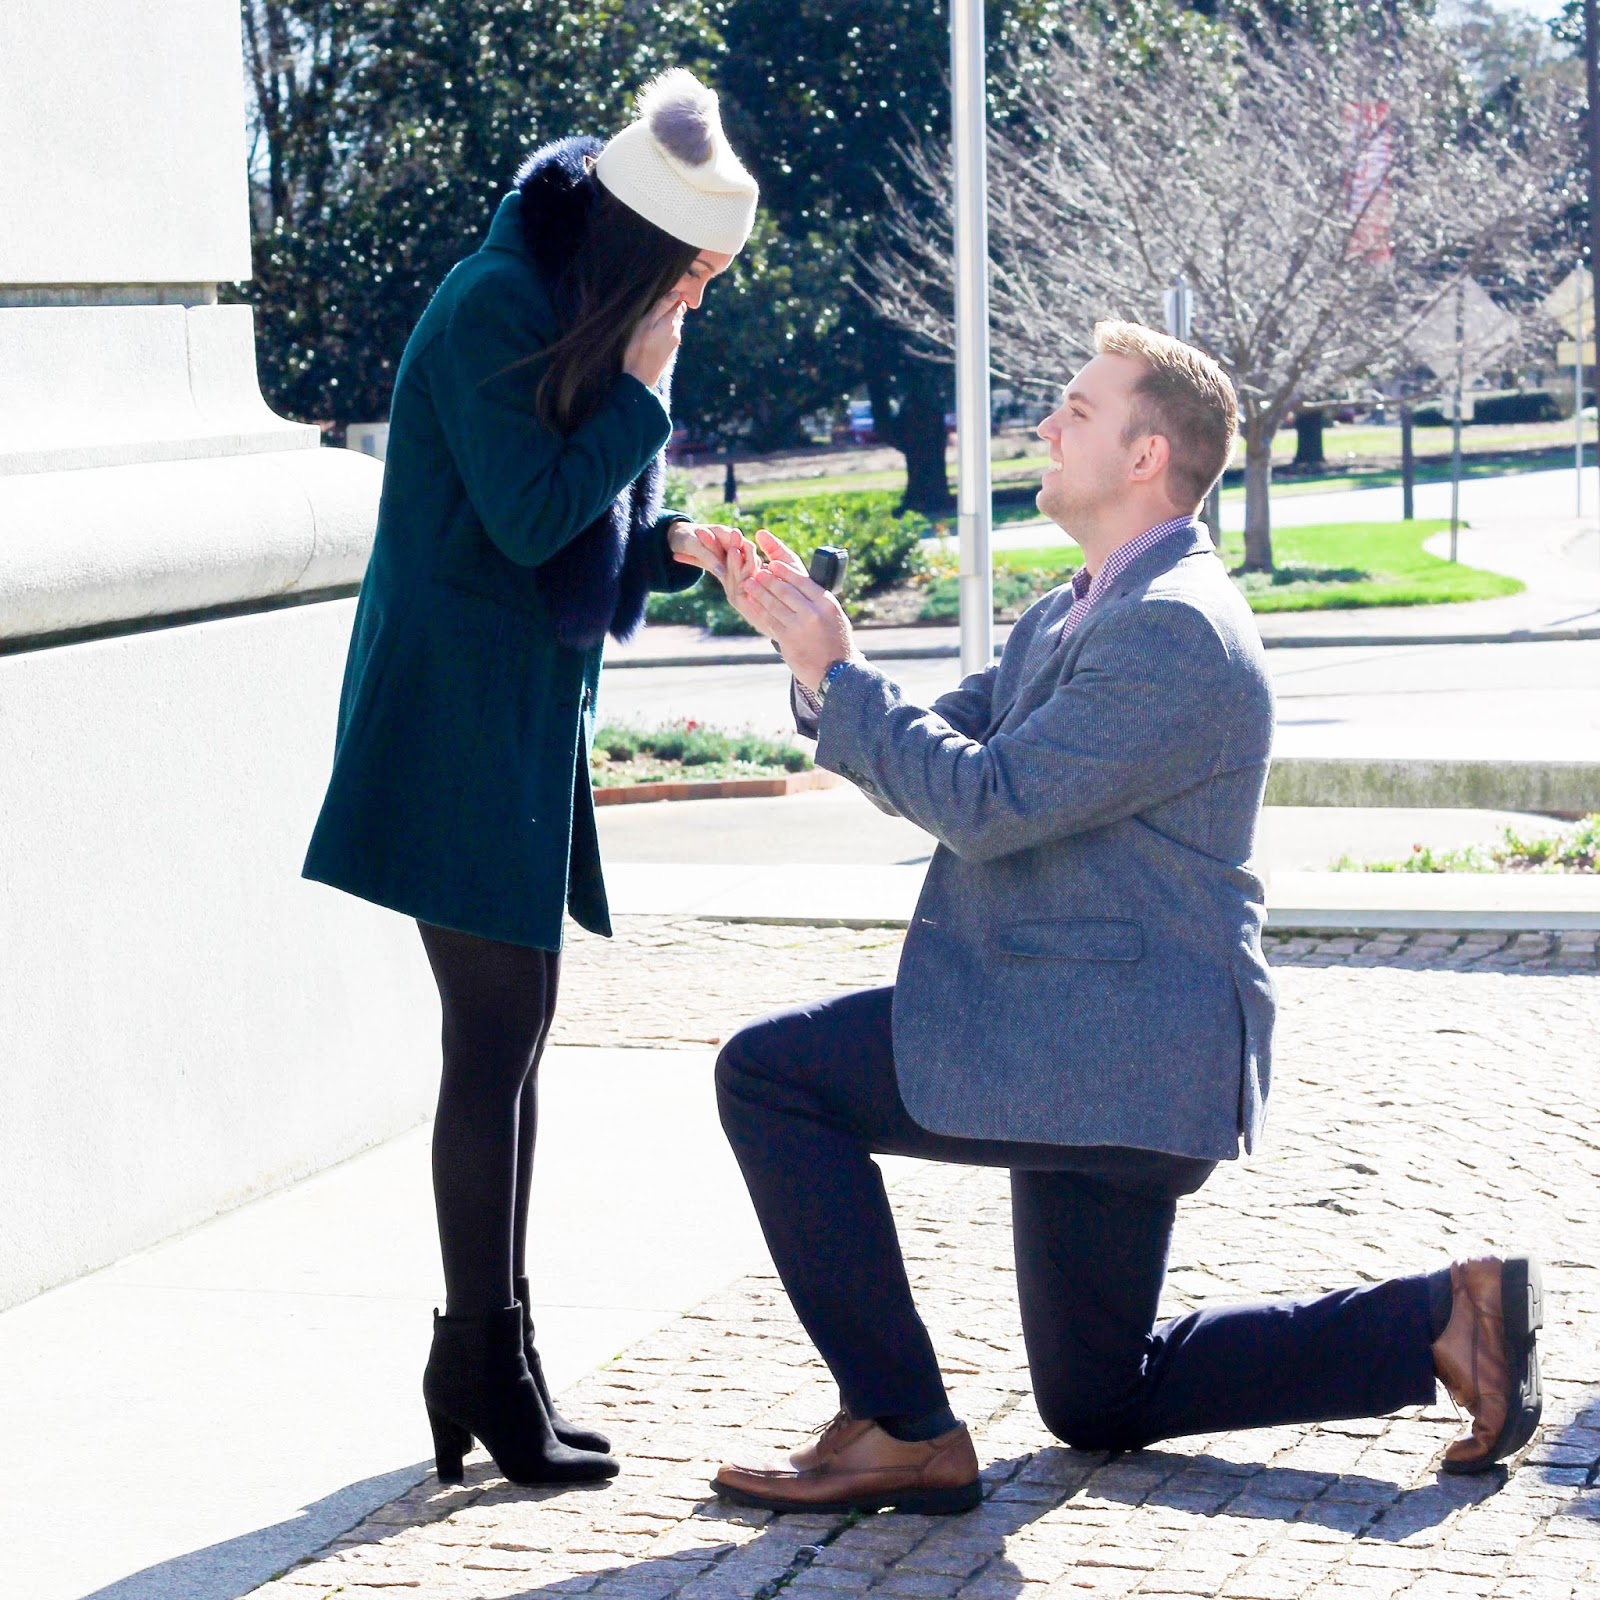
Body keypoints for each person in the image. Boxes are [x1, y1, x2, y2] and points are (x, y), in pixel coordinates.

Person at [705, 322, 1543, 1516]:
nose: (1047, 425)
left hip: (1110, 1048)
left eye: (1077, 411)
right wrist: (811, 658)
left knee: (771, 1074)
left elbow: (982, 805)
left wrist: (843, 677)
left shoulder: (1171, 627)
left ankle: (900, 1425)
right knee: (1097, 1396)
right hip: (1088, 1036)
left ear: (1149, 454)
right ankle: (1442, 1318)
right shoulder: (1083, 606)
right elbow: (944, 744)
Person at [301, 69, 759, 1488]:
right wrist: (646, 405)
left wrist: (667, 535)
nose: (696, 302)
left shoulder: (562, 300)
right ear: (637, 245)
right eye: (690, 275)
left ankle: (494, 1358)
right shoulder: (497, 300)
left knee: (516, 1035)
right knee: (491, 1042)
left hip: (508, 709)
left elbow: (577, 507)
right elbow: (524, 509)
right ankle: (481, 1361)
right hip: (452, 717)